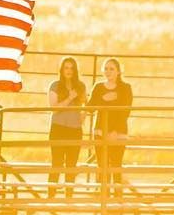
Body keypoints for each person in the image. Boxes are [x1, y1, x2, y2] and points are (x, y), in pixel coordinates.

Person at [87, 58, 134, 196]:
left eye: (112, 69)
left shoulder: (125, 88)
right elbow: (90, 107)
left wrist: (114, 131)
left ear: (118, 71)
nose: (108, 71)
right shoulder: (98, 87)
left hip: (119, 133)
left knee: (116, 165)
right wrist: (104, 99)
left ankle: (118, 199)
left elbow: (126, 111)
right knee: (102, 166)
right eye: (106, 68)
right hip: (100, 131)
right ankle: (104, 199)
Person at [48, 57, 86, 199]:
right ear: (62, 70)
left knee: (71, 164)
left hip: (75, 129)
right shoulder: (55, 85)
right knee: (56, 162)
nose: (69, 71)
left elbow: (85, 106)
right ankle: (50, 196)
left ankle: (68, 197)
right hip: (58, 128)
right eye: (66, 68)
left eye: (71, 68)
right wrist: (69, 98)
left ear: (75, 70)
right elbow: (54, 108)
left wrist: (83, 116)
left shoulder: (81, 86)